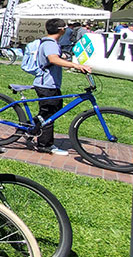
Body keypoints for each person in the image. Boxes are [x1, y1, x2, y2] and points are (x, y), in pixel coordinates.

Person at [33, 18, 92, 155]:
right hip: (46, 84)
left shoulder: (50, 42)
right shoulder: (51, 43)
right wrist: (76, 65)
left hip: (48, 83)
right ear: (61, 30)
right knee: (49, 115)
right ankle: (44, 145)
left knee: (53, 110)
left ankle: (33, 127)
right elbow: (53, 59)